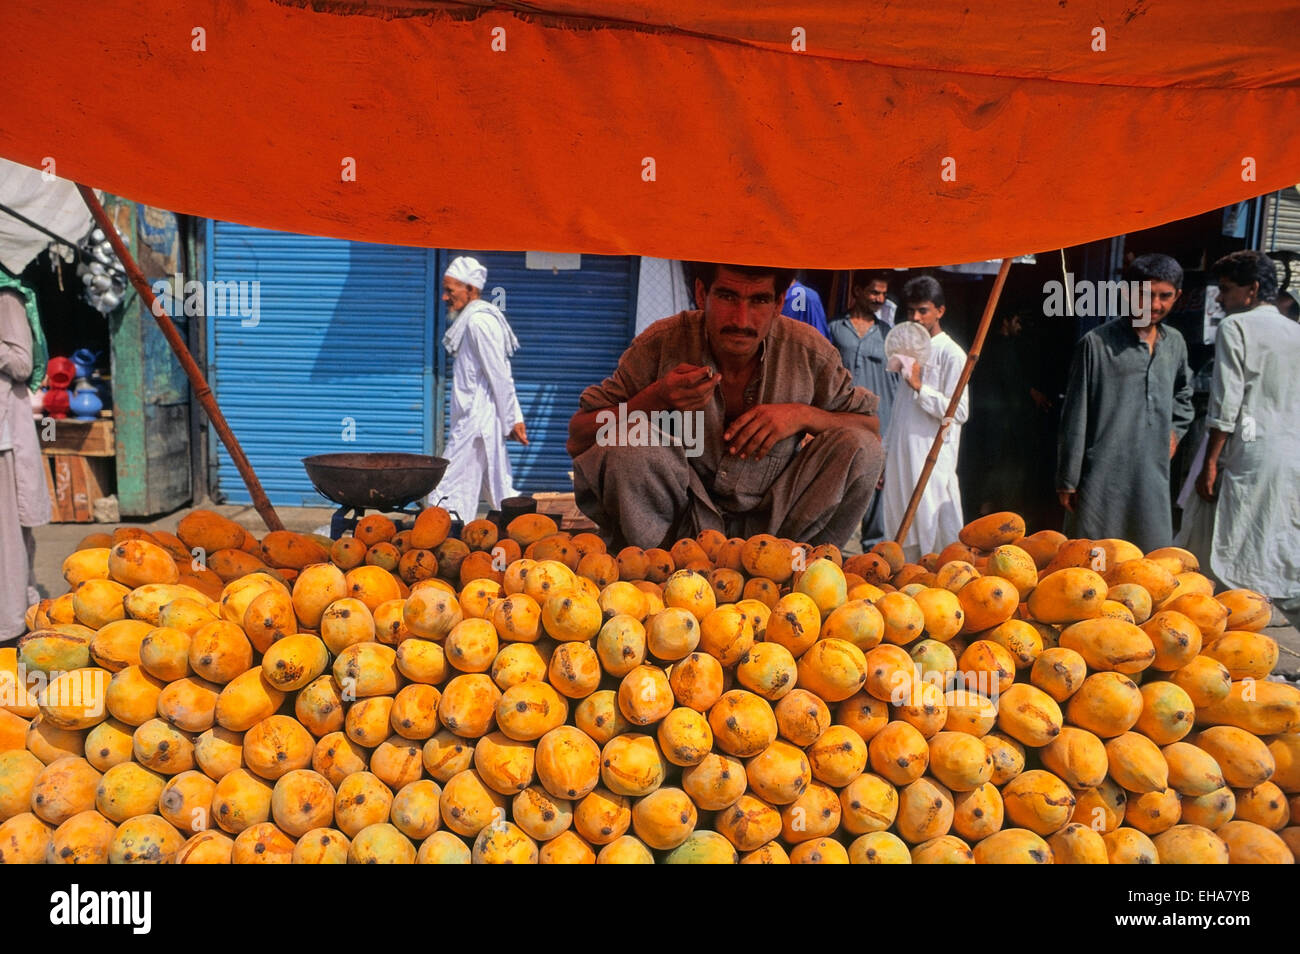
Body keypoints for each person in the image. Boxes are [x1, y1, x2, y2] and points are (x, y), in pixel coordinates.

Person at [567, 262, 883, 550]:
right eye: (728, 297)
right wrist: (654, 400)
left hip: (778, 534)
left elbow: (869, 429)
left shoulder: (808, 352)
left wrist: (801, 415)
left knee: (862, 449)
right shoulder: (662, 343)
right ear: (702, 294)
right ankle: (656, 575)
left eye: (759, 300)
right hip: (676, 537)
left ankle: (802, 572)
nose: (741, 320)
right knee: (626, 442)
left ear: (778, 303)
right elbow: (579, 436)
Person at [1177, 251, 1300, 627]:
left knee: (1227, 545)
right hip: (1288, 454)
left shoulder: (1236, 327)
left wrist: (1210, 462)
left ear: (1254, 290)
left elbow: (1227, 404)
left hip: (1245, 452)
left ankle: (1229, 629)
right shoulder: (1295, 331)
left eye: (1226, 290)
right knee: (1269, 539)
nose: (1219, 299)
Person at [1056, 253, 1194, 553]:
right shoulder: (1095, 344)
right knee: (1095, 559)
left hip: (1151, 475)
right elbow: (1075, 415)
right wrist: (1068, 479)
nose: (1155, 305)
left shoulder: (1175, 343)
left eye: (1165, 296)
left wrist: (1175, 432)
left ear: (1178, 296)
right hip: (1102, 475)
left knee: (1151, 561)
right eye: (1145, 295)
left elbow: (1184, 394)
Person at [427, 256, 528, 522]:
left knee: (445, 488)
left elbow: (500, 374)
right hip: (475, 420)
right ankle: (517, 531)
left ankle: (443, 537)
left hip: (476, 423)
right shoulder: (472, 320)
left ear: (471, 289)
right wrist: (513, 417)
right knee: (496, 489)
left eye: (451, 290)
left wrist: (512, 419)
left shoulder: (479, 322)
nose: (445, 297)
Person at [881, 276, 969, 562]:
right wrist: (885, 455)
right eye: (910, 312)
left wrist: (921, 387)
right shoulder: (908, 351)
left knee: (935, 531)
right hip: (901, 456)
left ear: (940, 311)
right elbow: (899, 411)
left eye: (923, 311)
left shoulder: (952, 354)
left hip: (932, 459)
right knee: (898, 531)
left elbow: (960, 412)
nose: (915, 318)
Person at [828, 276, 899, 547]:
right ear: (857, 291)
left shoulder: (889, 334)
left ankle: (874, 549)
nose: (879, 299)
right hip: (843, 415)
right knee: (836, 477)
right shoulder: (835, 327)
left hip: (881, 417)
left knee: (877, 481)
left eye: (883, 294)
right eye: (873, 292)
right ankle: (830, 548)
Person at [0, 272, 52, 641]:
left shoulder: (6, 298)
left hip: (5, 436)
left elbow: (22, 364)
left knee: (8, 536)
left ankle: (11, 624)